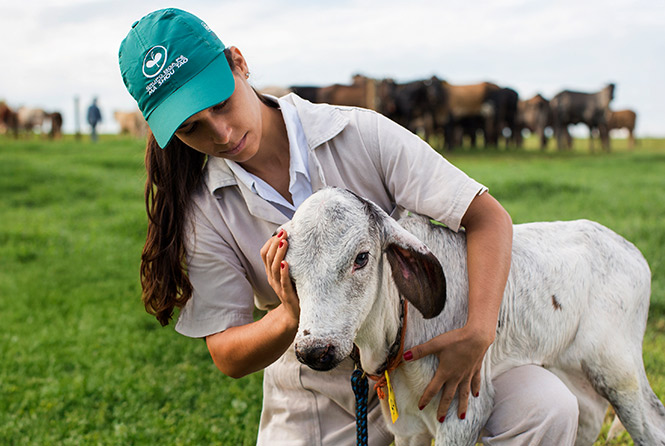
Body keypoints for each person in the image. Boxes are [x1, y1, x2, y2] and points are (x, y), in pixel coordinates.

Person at [119, 8, 579, 446]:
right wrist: (291, 314)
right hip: (320, 390)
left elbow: (487, 216)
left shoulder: (361, 134)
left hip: (426, 354)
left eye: (221, 104)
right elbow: (226, 353)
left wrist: (477, 332)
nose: (220, 134)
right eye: (192, 128)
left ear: (238, 64)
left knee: (546, 408)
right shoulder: (204, 209)